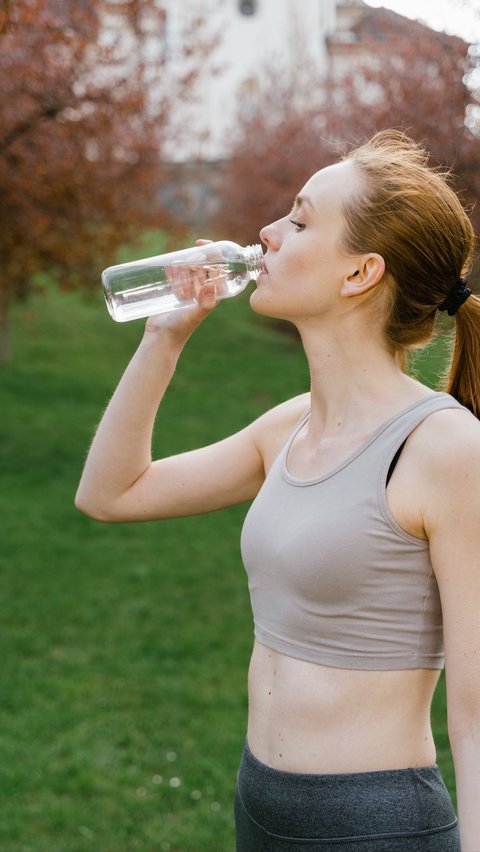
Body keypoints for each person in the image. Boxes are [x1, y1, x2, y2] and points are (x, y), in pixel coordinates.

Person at [75, 130, 480, 851]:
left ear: (360, 274)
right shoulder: (291, 425)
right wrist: (163, 339)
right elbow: (112, 494)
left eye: (298, 220)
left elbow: (476, 712)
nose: (266, 232)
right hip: (259, 804)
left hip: (373, 825)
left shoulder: (444, 449)